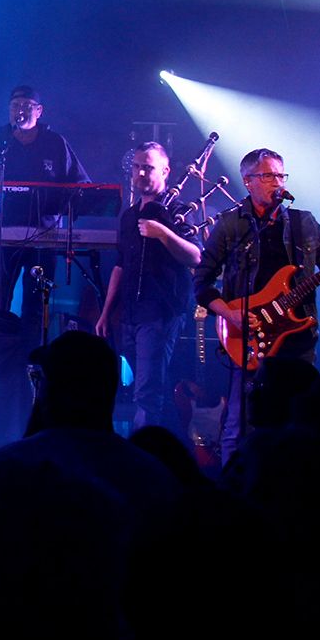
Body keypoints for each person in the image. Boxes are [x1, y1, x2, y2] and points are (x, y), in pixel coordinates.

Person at [194, 147, 320, 462]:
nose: (277, 182)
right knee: (241, 425)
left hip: (298, 339)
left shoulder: (303, 222)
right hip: (248, 338)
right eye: (268, 176)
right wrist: (230, 314)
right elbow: (201, 281)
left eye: (281, 175)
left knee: (300, 424)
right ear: (248, 181)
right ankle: (236, 483)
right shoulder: (231, 224)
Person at [95, 142, 200, 431]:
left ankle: (147, 449)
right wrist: (106, 312)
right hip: (130, 313)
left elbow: (196, 256)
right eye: (137, 167)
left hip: (160, 312)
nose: (141, 173)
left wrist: (163, 233)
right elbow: (120, 265)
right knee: (140, 386)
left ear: (165, 171)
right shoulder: (129, 215)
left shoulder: (178, 211)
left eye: (148, 168)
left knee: (147, 392)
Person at [0, 84, 90, 318]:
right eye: (15, 106)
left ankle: (31, 341)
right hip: (1, 233)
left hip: (43, 235)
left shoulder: (55, 143)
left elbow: (81, 184)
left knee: (36, 303)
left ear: (39, 111)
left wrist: (68, 206)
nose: (20, 110)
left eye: (26, 105)